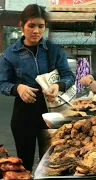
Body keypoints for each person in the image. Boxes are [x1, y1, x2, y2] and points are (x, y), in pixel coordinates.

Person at [0, 4, 75, 171]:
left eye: (40, 26)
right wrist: (17, 88)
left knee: (52, 162)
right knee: (24, 163)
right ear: (21, 25)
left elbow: (69, 76)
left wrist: (58, 85)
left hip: (51, 112)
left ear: (45, 27)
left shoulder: (54, 50)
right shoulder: (10, 53)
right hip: (23, 114)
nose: (36, 31)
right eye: (31, 25)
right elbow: (2, 82)